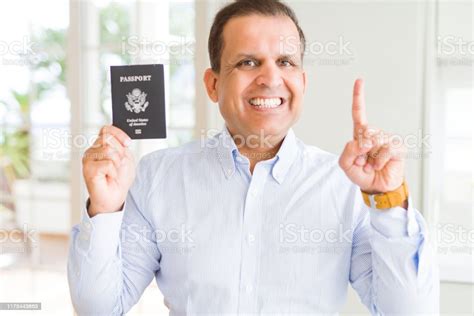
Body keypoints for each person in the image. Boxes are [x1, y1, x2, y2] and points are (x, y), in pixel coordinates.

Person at [68, 0, 439, 314]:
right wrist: (104, 208)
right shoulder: (157, 176)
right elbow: (99, 307)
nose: (270, 78)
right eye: (248, 62)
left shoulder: (346, 187)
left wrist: (388, 202)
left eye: (286, 62)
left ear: (302, 83)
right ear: (213, 85)